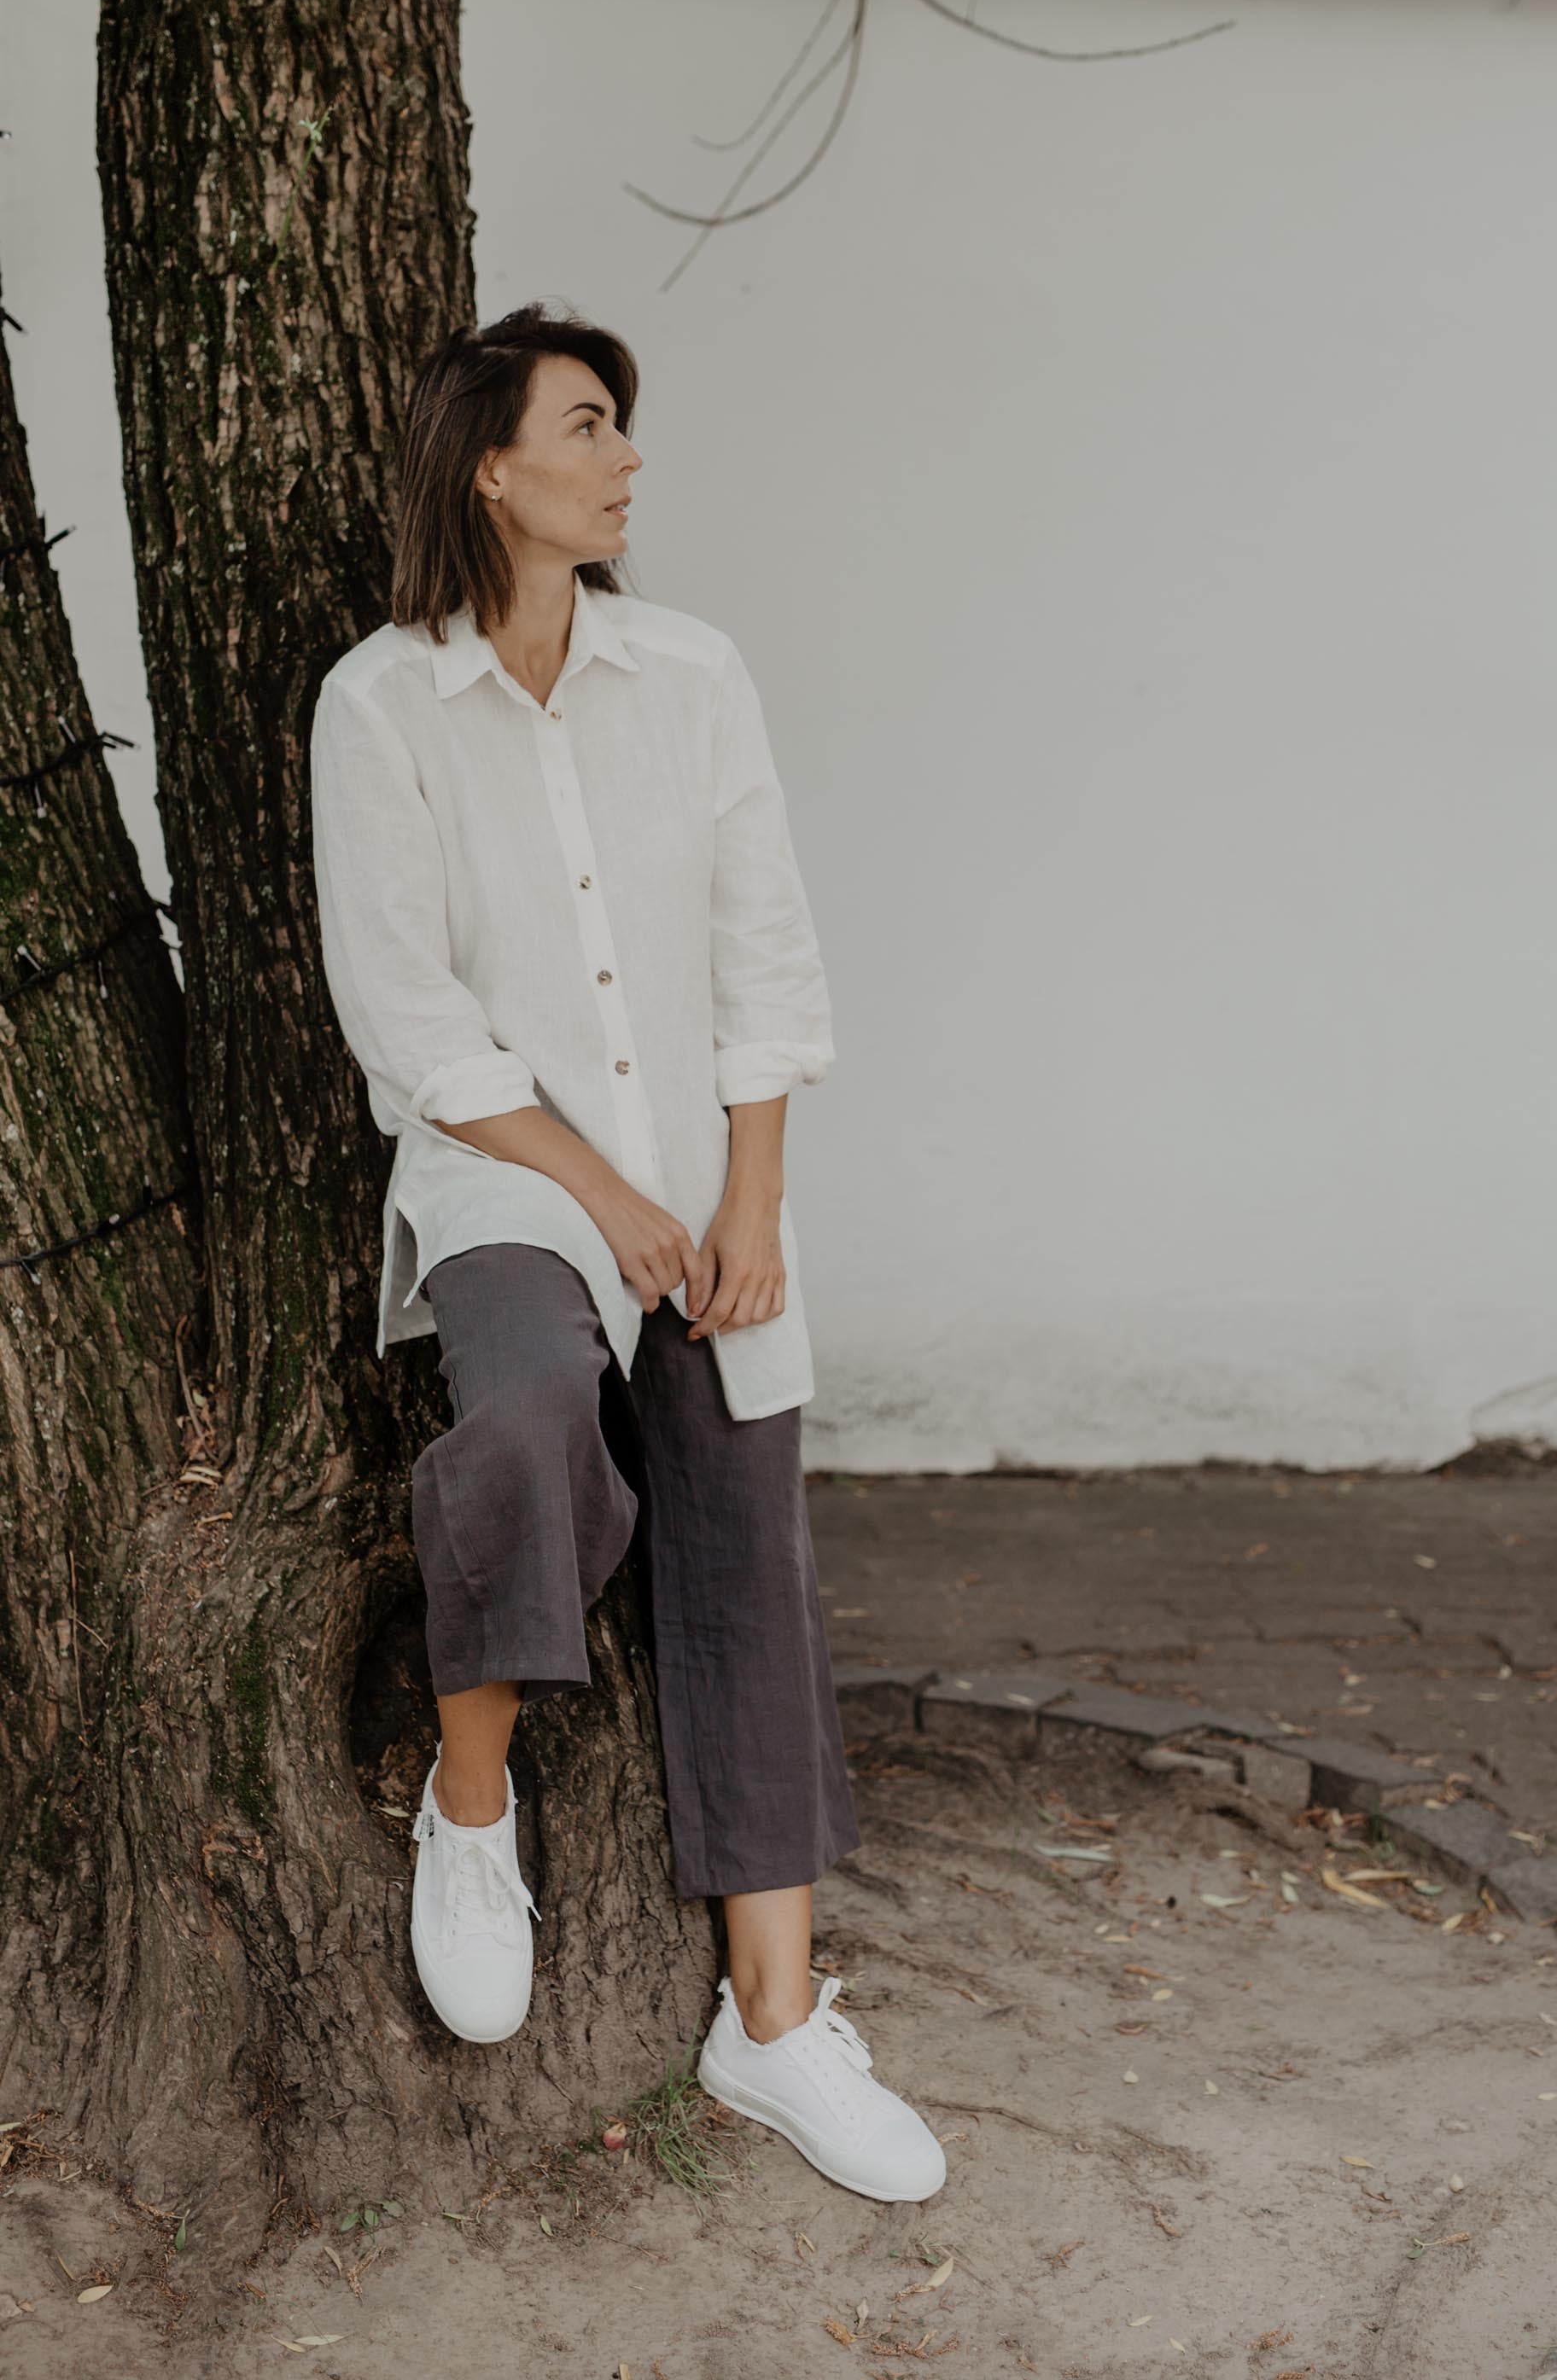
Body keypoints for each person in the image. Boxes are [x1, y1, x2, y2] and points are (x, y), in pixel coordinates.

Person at [307, 301, 944, 2206]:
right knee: (519, 1422)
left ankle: (769, 2029)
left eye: (623, 427)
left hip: (706, 1181)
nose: (628, 457)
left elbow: (765, 953)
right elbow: (404, 1013)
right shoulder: (382, 703)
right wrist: (604, 1193)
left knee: (749, 1543)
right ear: (491, 466)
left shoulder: (693, 672)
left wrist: (746, 1206)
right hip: (511, 1182)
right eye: (591, 426)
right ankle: (473, 1802)